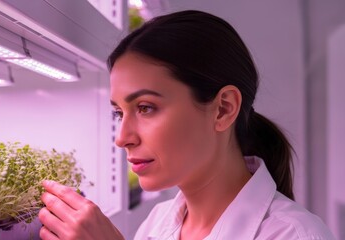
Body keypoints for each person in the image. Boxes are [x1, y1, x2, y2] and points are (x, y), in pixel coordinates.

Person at [37, 10, 335, 240]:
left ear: (223, 109)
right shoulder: (157, 223)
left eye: (145, 107)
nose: (123, 138)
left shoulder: (294, 234)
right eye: (118, 113)